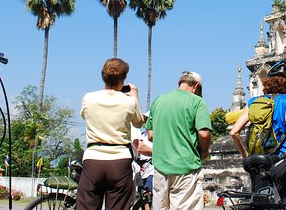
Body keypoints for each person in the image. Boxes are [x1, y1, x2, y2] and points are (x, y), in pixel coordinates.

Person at [229, 59, 286, 203]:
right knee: (285, 204)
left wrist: (246, 156)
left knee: (261, 204)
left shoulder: (253, 102)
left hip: (258, 165)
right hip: (282, 162)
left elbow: (234, 132)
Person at [77, 58, 144, 210]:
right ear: (123, 78)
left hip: (93, 158)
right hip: (120, 160)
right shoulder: (129, 101)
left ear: (103, 76)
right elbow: (139, 122)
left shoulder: (88, 98)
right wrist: (134, 96)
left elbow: (85, 116)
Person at [146, 71, 212, 210]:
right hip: (186, 167)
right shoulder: (196, 101)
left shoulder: (159, 100)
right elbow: (204, 134)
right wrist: (204, 152)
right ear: (196, 86)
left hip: (160, 168)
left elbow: (150, 135)